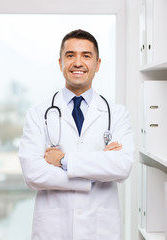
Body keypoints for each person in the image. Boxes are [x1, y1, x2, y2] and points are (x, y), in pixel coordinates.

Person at [19, 29, 134, 240]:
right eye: (70, 55)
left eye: (86, 56)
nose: (78, 62)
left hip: (100, 230)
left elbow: (122, 166)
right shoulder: (38, 114)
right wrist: (94, 173)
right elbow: (33, 173)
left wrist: (63, 160)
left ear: (97, 64)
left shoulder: (117, 114)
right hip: (53, 230)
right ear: (60, 62)